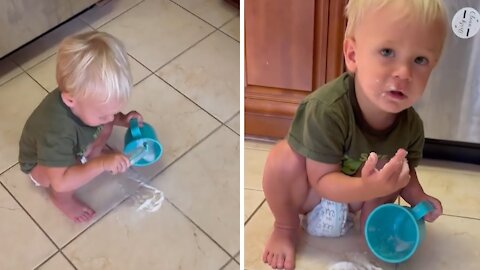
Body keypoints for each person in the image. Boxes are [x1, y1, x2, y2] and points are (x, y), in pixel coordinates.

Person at [261, 0, 448, 269]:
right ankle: (285, 226)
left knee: (394, 167)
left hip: (357, 201)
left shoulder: (412, 126)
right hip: (313, 191)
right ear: (352, 54)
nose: (404, 73)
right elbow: (322, 179)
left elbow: (407, 174)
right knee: (283, 159)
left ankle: (368, 227)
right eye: (387, 51)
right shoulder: (326, 109)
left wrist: (419, 197)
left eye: (420, 60)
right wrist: (370, 187)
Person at [18, 31, 143, 223]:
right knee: (65, 181)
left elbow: (107, 115)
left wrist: (123, 119)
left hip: (73, 141)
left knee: (106, 124)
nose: (111, 117)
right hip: (41, 166)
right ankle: (63, 202)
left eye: (115, 110)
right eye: (103, 113)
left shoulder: (82, 98)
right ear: (70, 100)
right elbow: (60, 182)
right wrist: (100, 164)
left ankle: (92, 155)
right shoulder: (56, 133)